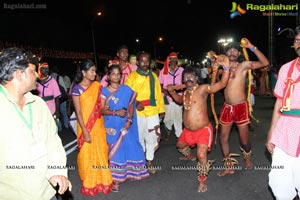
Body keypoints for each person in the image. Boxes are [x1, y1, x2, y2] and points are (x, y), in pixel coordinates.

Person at [0, 47, 71, 199]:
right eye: (33, 71)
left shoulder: (38, 104)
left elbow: (53, 142)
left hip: (46, 192)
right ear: (19, 74)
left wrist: (57, 172)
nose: (37, 77)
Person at [167, 54, 231, 192]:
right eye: (185, 77)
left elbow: (221, 84)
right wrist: (172, 92)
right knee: (179, 146)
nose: (188, 79)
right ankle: (190, 156)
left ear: (196, 78)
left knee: (201, 155)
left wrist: (226, 67)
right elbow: (179, 100)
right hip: (188, 131)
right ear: (183, 80)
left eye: (191, 76)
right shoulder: (185, 93)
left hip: (203, 130)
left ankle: (202, 180)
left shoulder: (202, 89)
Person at [217, 38, 269, 176]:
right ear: (226, 52)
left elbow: (265, 63)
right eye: (229, 50)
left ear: (239, 53)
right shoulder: (223, 68)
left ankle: (247, 157)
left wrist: (252, 47)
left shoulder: (244, 65)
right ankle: (229, 166)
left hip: (241, 107)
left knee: (244, 140)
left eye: (235, 50)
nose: (232, 52)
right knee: (223, 137)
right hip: (227, 108)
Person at [100, 64, 149, 192]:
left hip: (126, 125)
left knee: (129, 147)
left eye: (118, 74)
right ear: (108, 77)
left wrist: (129, 119)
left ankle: (129, 173)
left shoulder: (126, 89)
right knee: (115, 152)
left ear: (121, 76)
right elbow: (101, 110)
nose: (116, 76)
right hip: (112, 126)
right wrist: (116, 112)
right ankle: (116, 181)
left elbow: (131, 105)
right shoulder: (104, 92)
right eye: (113, 74)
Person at [266, 25, 300, 200]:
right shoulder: (286, 69)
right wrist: (271, 131)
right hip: (285, 129)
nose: (299, 44)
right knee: (279, 180)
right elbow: (279, 101)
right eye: (297, 40)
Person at [71, 59, 112, 196]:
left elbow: (99, 106)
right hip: (85, 126)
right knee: (86, 154)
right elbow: (79, 112)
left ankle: (102, 179)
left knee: (101, 151)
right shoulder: (76, 89)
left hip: (98, 125)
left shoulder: (97, 86)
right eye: (92, 71)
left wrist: (104, 107)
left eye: (95, 71)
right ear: (83, 72)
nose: (95, 74)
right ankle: (90, 182)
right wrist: (85, 131)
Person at [125, 51, 165, 174]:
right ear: (137, 62)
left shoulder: (154, 76)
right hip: (138, 113)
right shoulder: (132, 77)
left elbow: (158, 94)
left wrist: (161, 110)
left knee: (152, 138)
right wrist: (136, 103)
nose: (144, 63)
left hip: (152, 112)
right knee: (140, 138)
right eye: (142, 61)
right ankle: (141, 162)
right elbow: (127, 94)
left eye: (147, 61)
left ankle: (149, 162)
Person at [159, 52, 184, 141]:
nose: (173, 60)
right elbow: (160, 84)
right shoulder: (163, 71)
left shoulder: (181, 70)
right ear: (168, 60)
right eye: (171, 58)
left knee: (178, 117)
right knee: (167, 118)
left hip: (178, 97)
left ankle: (179, 135)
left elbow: (185, 83)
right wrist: (164, 91)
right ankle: (168, 129)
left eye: (175, 58)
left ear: (177, 60)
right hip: (167, 98)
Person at [36, 62, 62, 131]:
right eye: (44, 69)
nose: (46, 70)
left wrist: (57, 111)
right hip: (40, 110)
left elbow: (57, 97)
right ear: (40, 69)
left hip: (52, 110)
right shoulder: (36, 81)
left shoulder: (52, 81)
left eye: (47, 69)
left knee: (53, 130)